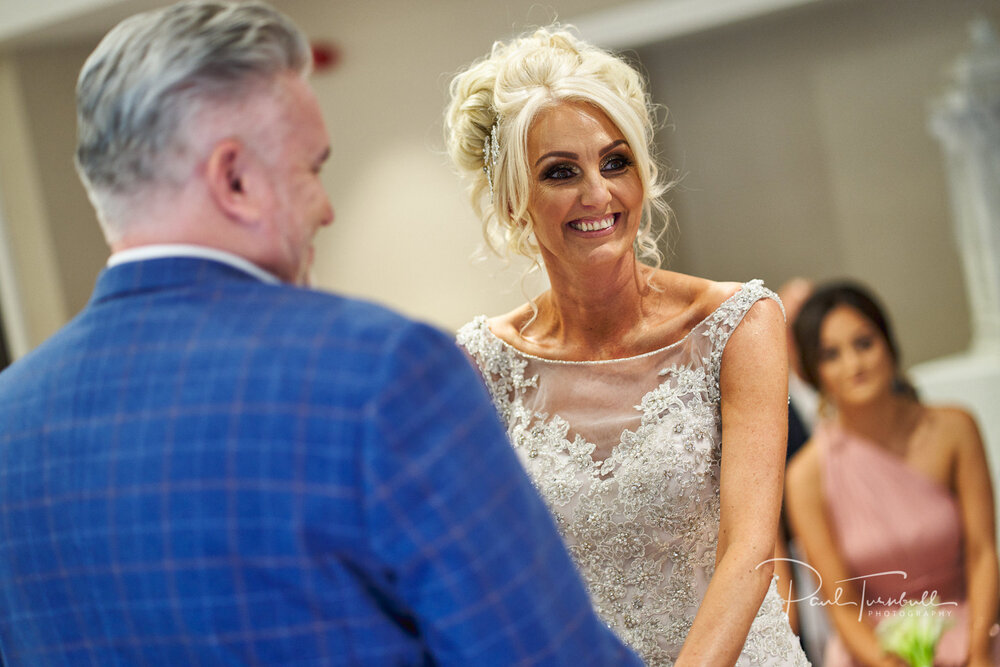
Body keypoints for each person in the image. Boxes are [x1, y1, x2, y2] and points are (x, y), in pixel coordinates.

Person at [0, 4, 643, 665]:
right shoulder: (386, 372)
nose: (326, 208)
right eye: (311, 169)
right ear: (236, 179)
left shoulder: (9, 422)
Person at [446, 27, 808, 666]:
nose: (597, 194)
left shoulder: (737, 325)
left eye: (615, 161)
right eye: (561, 172)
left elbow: (749, 548)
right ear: (512, 202)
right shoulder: (483, 365)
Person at [785, 281, 1000, 667]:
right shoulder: (805, 476)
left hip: (976, 624)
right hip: (875, 647)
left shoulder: (955, 429)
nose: (854, 364)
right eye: (832, 355)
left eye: (864, 343)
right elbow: (842, 605)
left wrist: (981, 651)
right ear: (814, 372)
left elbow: (983, 552)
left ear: (888, 343)